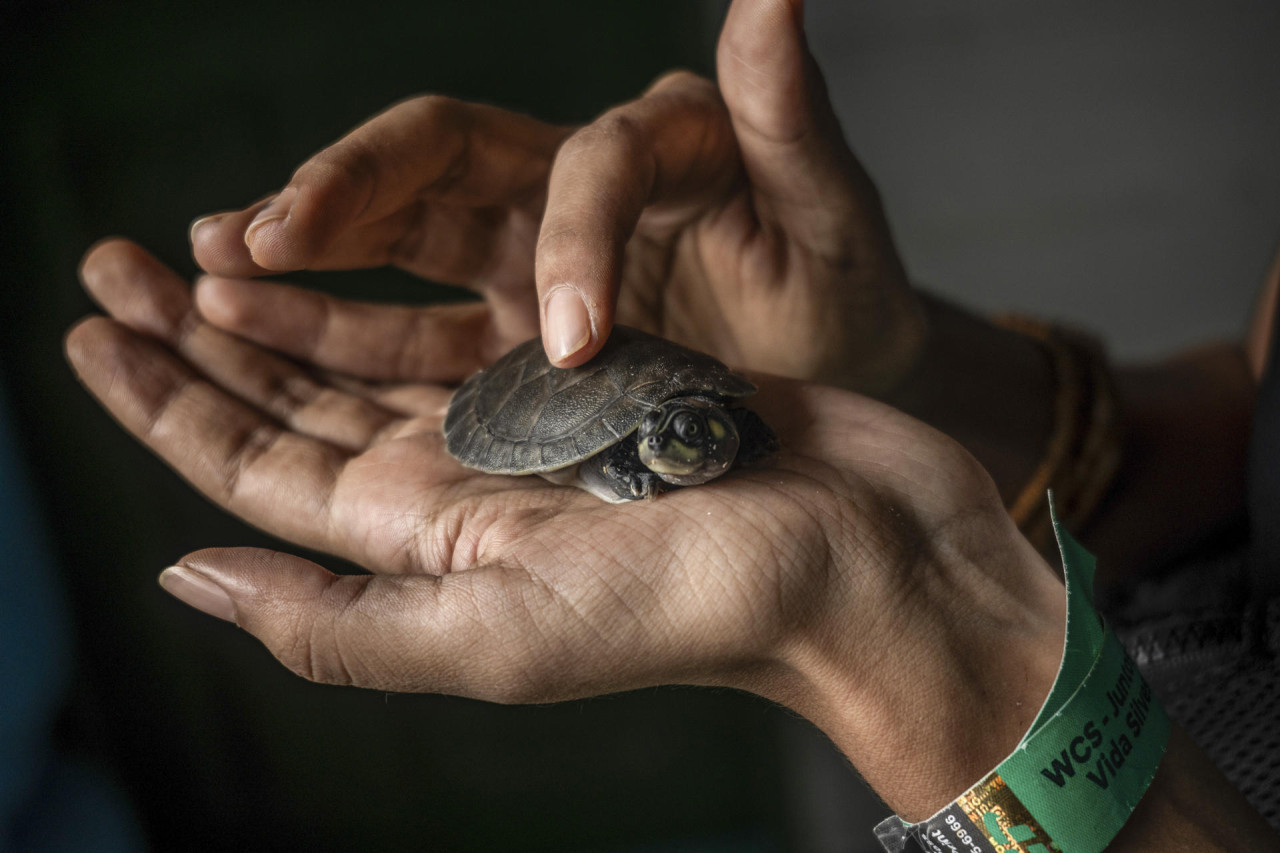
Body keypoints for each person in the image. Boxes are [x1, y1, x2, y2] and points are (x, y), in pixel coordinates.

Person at [65, 0, 1280, 848]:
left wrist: (910, 640)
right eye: (693, 442)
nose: (701, 453)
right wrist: (904, 378)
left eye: (701, 441)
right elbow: (1245, 425)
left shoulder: (706, 462)